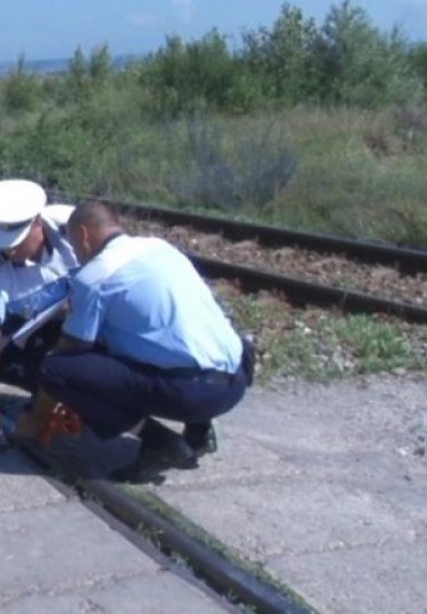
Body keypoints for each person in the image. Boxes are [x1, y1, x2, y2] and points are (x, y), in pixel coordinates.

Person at [17, 199, 253, 480]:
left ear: (82, 235)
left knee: (56, 370)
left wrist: (36, 415)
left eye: (73, 243)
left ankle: (157, 441)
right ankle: (199, 432)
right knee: (174, 339)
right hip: (236, 380)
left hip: (192, 395)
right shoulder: (161, 247)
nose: (75, 253)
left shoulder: (95, 275)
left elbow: (73, 347)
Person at [0, 179, 79, 443]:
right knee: (3, 361)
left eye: (18, 242)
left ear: (37, 223)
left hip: (89, 322)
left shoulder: (75, 230)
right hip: (37, 326)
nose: (11, 250)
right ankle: (44, 394)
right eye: (5, 244)